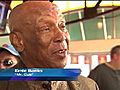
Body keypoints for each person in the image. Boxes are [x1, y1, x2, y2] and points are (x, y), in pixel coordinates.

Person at [0, 1, 99, 90]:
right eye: (46, 28)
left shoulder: (88, 86)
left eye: (62, 26)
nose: (61, 36)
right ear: (17, 41)